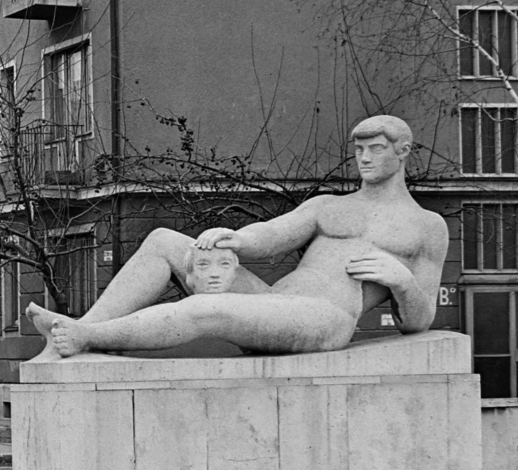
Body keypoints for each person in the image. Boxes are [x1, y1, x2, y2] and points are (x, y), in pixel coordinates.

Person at [28, 115, 450, 360]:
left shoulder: (426, 226)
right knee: (162, 240)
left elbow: (419, 321)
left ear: (403, 151)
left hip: (326, 319)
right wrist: (234, 239)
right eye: (359, 151)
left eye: (375, 149)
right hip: (273, 303)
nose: (364, 159)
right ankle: (81, 331)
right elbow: (270, 236)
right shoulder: (328, 206)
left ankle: (84, 338)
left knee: (205, 308)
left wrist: (401, 280)